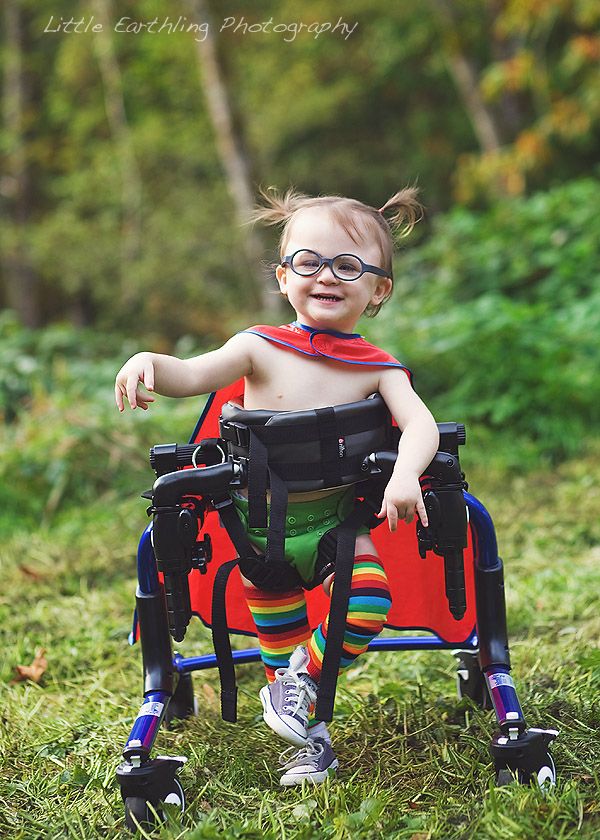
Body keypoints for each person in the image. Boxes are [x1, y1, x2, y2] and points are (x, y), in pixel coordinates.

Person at [115, 188, 440, 785]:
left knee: (367, 599)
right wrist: (148, 361)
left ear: (379, 289)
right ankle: (309, 737)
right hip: (259, 531)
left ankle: (303, 680)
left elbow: (421, 425)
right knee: (279, 637)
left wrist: (403, 476)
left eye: (348, 266)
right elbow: (189, 375)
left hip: (337, 526)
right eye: (309, 262)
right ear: (284, 276)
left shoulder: (377, 368)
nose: (327, 277)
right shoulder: (257, 347)